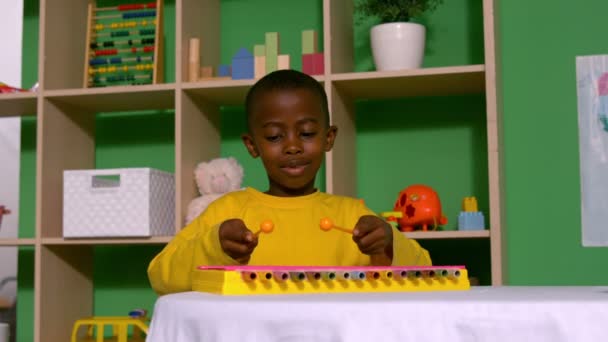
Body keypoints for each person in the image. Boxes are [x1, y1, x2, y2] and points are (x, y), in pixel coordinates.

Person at [147, 69, 431, 295]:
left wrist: (389, 243)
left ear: (328, 138)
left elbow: (425, 270)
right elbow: (160, 275)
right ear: (252, 145)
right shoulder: (227, 211)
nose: (292, 146)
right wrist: (214, 246)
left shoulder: (353, 216)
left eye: (306, 133)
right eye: (273, 137)